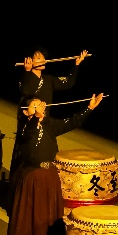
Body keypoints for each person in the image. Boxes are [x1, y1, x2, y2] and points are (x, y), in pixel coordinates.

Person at [7, 94, 105, 235]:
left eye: (40, 104)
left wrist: (89, 108)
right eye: (34, 105)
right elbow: (28, 135)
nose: (39, 107)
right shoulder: (25, 127)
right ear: (25, 111)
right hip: (31, 177)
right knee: (27, 218)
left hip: (49, 177)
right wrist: (36, 118)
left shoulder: (49, 124)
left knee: (48, 218)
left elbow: (72, 122)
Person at [9, 48, 88, 181]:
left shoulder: (48, 79)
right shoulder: (25, 78)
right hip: (29, 121)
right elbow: (26, 91)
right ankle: (22, 182)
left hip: (45, 121)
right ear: (30, 61)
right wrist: (27, 71)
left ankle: (45, 179)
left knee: (46, 150)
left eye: (43, 58)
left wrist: (77, 64)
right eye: (38, 58)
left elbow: (68, 83)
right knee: (27, 155)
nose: (43, 60)